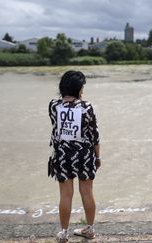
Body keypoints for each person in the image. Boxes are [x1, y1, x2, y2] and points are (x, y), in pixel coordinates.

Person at [48, 70, 101, 243]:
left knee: (65, 195)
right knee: (87, 192)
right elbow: (94, 135)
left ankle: (63, 233)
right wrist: (97, 157)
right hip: (85, 155)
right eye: (82, 87)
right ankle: (90, 230)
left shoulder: (53, 106)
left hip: (63, 155)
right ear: (78, 89)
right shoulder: (87, 107)